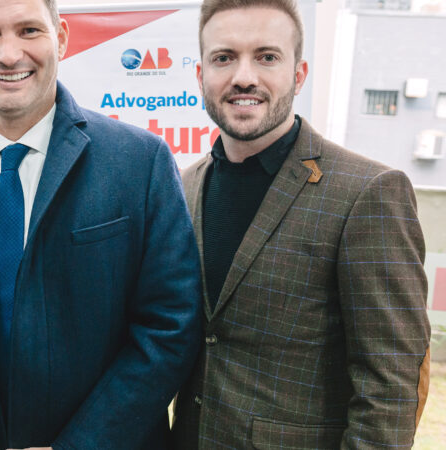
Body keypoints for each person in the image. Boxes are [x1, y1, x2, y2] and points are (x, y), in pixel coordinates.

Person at [0, 0, 203, 448]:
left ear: (63, 37)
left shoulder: (139, 163)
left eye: (29, 30)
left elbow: (169, 327)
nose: (9, 54)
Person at [170, 0, 431, 448]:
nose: (244, 76)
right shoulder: (183, 187)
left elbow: (390, 385)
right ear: (201, 76)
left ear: (298, 74)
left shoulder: (367, 192)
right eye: (224, 57)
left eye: (267, 57)